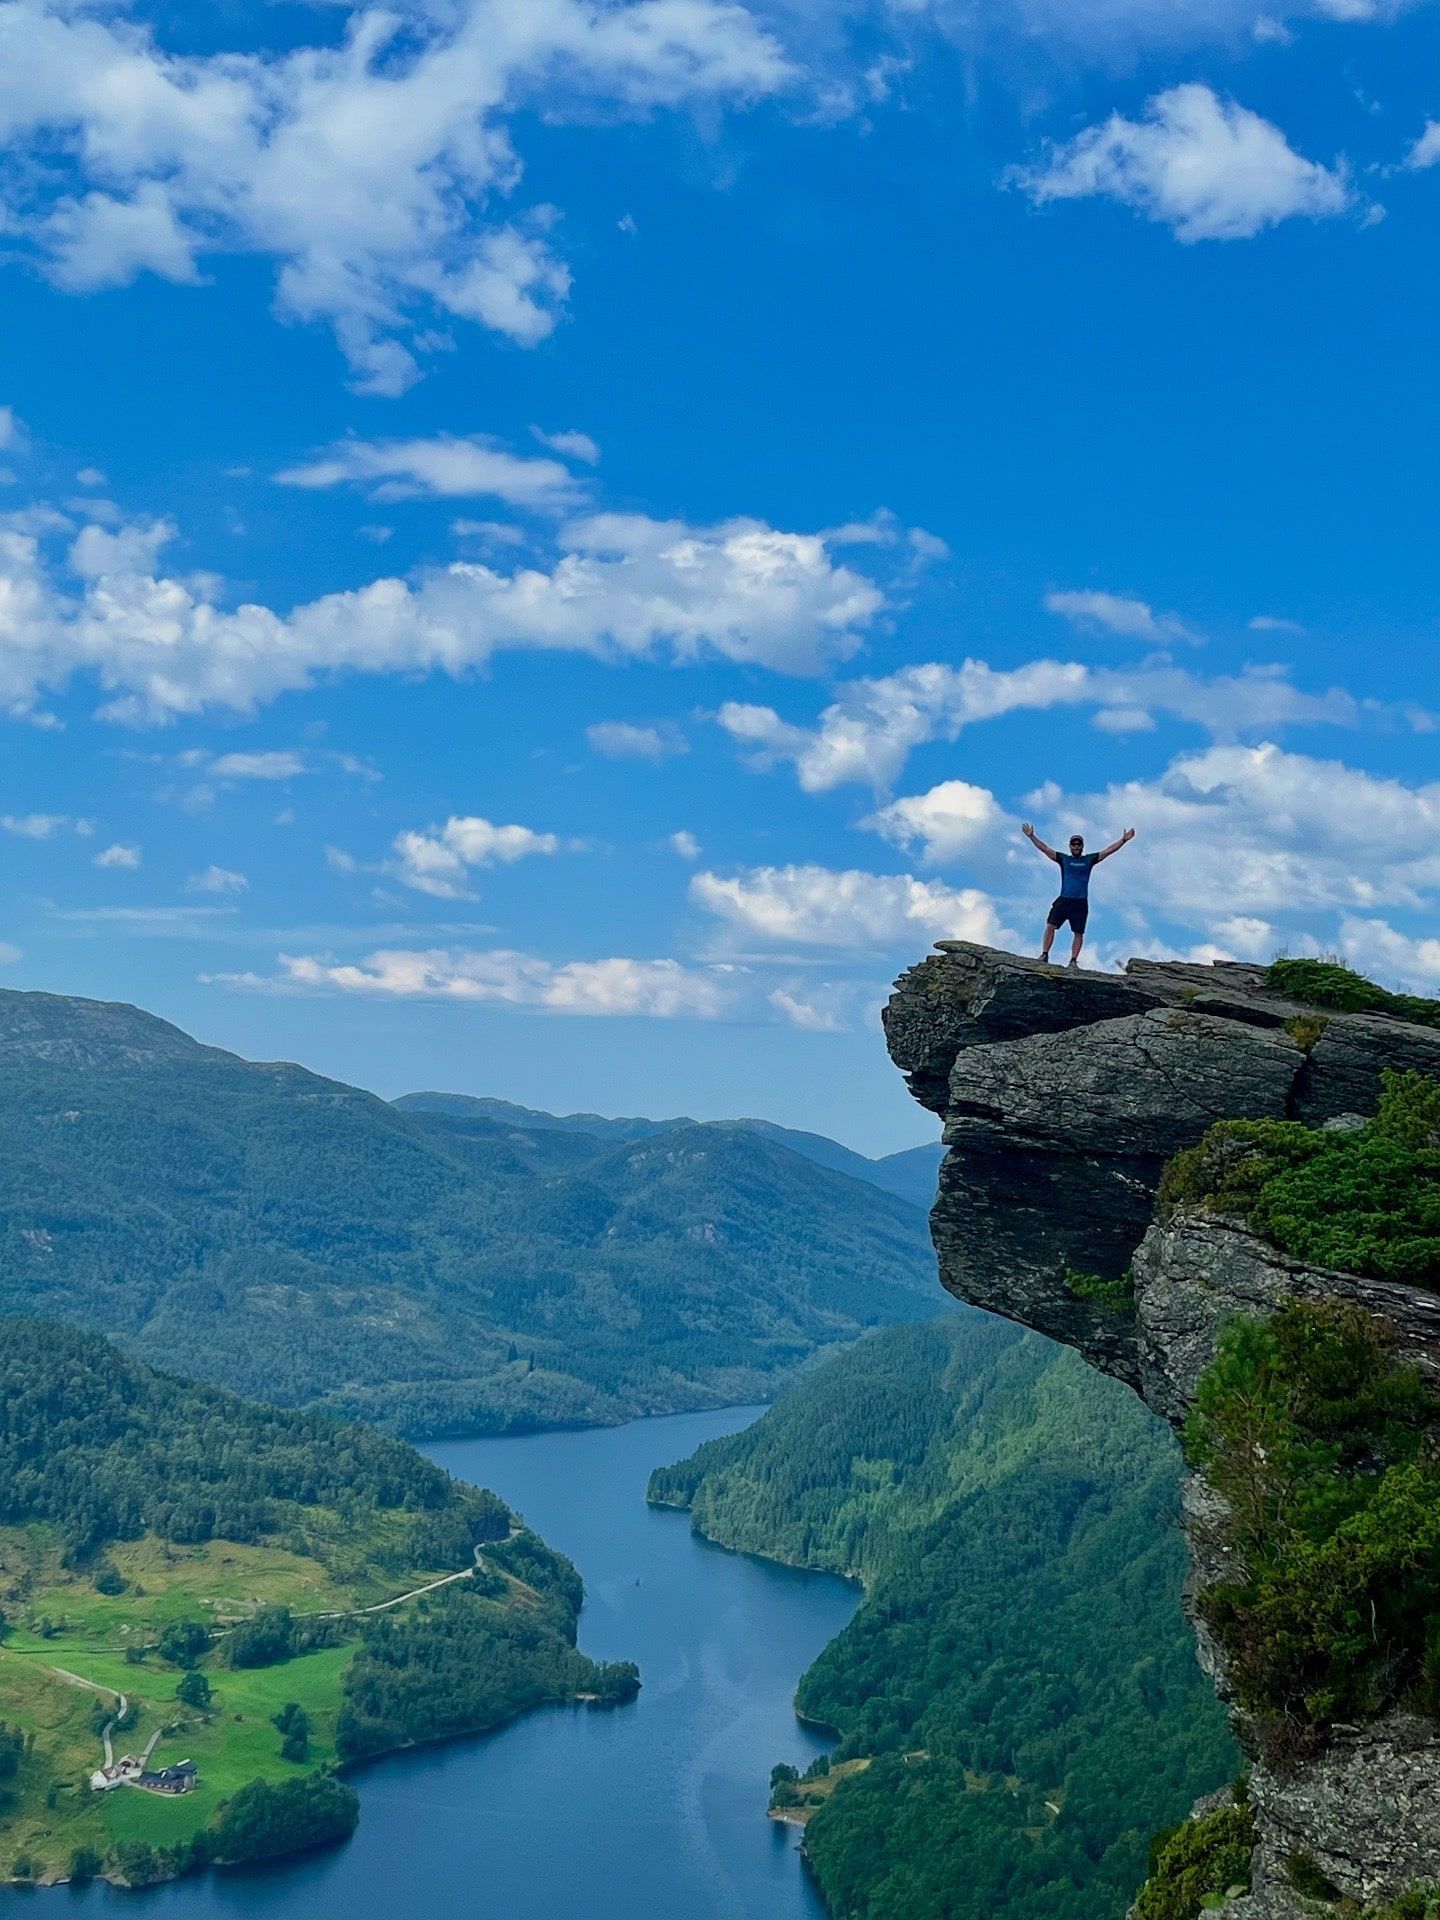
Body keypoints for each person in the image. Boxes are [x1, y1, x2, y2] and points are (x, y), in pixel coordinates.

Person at [1021, 821, 1136, 969]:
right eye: (1073, 844)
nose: (1076, 847)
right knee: (1050, 925)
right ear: (1070, 846)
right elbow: (1045, 849)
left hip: (1080, 902)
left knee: (1078, 932)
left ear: (1082, 846)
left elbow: (1108, 851)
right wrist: (1032, 836)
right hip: (1064, 900)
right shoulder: (1064, 859)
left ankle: (1073, 961)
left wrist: (1123, 840)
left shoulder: (1088, 860)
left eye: (1078, 844)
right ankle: (1044, 954)